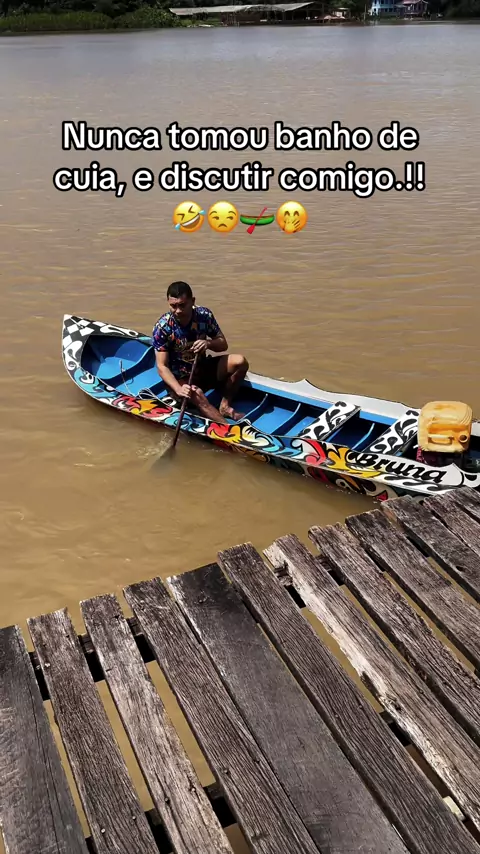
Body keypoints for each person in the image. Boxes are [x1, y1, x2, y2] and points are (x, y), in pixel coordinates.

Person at [152, 281, 248, 422]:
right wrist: (178, 389)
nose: (178, 311)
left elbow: (223, 344)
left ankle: (225, 406)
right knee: (197, 394)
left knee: (240, 362)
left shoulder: (204, 315)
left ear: (193, 301)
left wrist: (208, 343)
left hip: (201, 367)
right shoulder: (163, 327)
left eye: (182, 305)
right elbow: (162, 366)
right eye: (173, 306)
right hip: (180, 379)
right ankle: (226, 428)